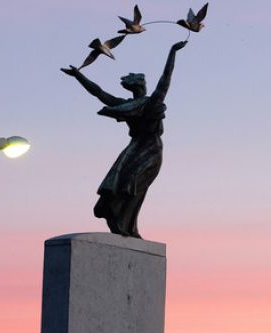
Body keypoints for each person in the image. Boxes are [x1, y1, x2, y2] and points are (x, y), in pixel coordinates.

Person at [62, 41, 187, 238]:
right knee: (122, 183)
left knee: (135, 185)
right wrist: (79, 75)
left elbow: (165, 79)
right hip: (136, 147)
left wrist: (172, 52)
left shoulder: (152, 103)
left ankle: (128, 225)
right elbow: (99, 93)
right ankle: (119, 220)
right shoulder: (128, 104)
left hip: (150, 149)